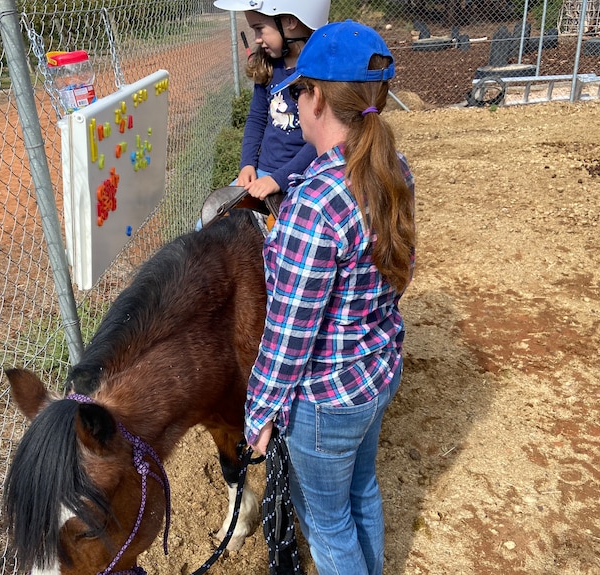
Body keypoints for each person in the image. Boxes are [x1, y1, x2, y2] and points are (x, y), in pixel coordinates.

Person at [244, 20, 416, 575]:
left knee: (326, 522)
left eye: (296, 90)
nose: (294, 100)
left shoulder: (312, 204)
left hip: (325, 402)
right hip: (377, 373)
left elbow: (289, 337)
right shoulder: (393, 170)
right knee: (361, 490)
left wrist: (261, 413)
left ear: (314, 97)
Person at [212, 0, 329, 201]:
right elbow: (256, 118)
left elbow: (323, 137)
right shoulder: (268, 66)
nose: (257, 39)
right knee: (206, 223)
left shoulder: (322, 73)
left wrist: (279, 179)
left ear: (290, 21)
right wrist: (247, 164)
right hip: (263, 173)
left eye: (260, 29)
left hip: (307, 176)